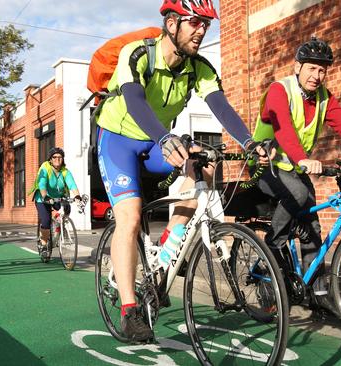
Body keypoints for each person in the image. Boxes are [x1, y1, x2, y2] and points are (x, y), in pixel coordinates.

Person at [95, 0, 270, 342]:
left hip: (157, 142)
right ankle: (129, 311)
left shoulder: (198, 67)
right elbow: (135, 100)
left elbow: (220, 105)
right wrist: (164, 137)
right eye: (195, 22)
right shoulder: (138, 54)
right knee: (129, 218)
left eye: (206, 23)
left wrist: (249, 142)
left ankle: (170, 244)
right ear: (172, 23)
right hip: (118, 140)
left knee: (204, 163)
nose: (202, 30)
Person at [251, 36, 341, 313]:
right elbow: (284, 130)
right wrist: (303, 158)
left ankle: (316, 294)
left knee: (313, 229)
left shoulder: (323, 98)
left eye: (322, 70)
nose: (317, 75)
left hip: (294, 168)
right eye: (312, 68)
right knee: (300, 193)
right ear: (297, 67)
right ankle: (272, 245)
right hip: (265, 167)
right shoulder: (279, 91)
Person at [30, 147, 82, 255]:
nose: (57, 159)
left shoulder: (64, 171)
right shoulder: (45, 168)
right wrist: (45, 196)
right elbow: (42, 184)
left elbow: (71, 183)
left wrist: (77, 196)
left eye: (60, 157)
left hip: (58, 197)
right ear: (50, 159)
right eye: (54, 157)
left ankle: (58, 225)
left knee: (66, 209)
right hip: (43, 198)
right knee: (45, 221)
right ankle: (44, 244)